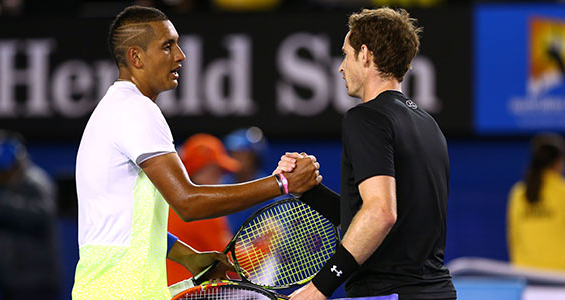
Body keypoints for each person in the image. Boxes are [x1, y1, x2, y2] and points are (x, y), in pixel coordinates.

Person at [72, 5, 321, 299]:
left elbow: (125, 231)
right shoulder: (137, 110)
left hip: (102, 289)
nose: (180, 55)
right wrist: (282, 183)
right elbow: (188, 203)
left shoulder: (112, 110)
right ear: (135, 57)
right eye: (167, 46)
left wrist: (190, 257)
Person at [277, 8, 456, 300]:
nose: (340, 67)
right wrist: (307, 191)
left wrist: (318, 288)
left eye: (345, 55)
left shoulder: (366, 118)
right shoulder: (428, 124)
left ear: (365, 54)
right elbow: (376, 221)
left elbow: (381, 214)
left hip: (388, 294)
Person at [0, 130, 61, 300]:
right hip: (8, 281)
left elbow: (42, 214)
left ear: (16, 163)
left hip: (37, 282)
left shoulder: (36, 181)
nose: (2, 174)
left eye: (6, 169)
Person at [166, 133, 236, 285]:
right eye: (217, 171)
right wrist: (266, 245)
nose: (221, 178)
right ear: (202, 170)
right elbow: (231, 264)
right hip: (189, 293)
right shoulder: (204, 208)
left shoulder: (165, 200)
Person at [507, 133, 565, 271]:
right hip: (560, 278)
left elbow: (514, 240)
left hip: (527, 276)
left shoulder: (518, 193)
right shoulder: (562, 192)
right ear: (558, 162)